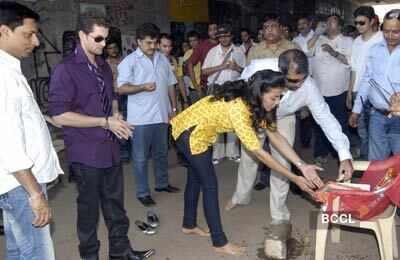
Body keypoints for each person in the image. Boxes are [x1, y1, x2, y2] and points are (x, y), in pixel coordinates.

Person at [171, 69, 322, 256]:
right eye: (274, 98)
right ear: (261, 92)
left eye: (279, 98)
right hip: (190, 134)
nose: (277, 103)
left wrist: (302, 165)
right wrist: (294, 178)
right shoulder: (239, 109)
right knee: (209, 185)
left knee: (195, 178)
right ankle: (219, 242)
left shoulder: (255, 104)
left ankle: (189, 224)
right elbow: (260, 154)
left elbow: (274, 135)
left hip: (196, 129)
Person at [227, 49, 354, 259]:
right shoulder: (258, 68)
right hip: (257, 113)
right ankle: (241, 195)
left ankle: (279, 214)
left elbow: (326, 119)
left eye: (301, 80)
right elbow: (240, 93)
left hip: (284, 117)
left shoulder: (309, 87)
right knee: (249, 157)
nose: (297, 86)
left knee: (283, 163)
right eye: (292, 81)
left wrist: (344, 154)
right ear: (279, 70)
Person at [48, 14, 155, 260]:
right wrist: (104, 122)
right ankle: (90, 256)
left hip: (110, 147)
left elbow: (113, 96)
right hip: (86, 152)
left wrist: (117, 117)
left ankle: (121, 252)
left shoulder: (103, 65)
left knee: (115, 206)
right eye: (98, 38)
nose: (103, 44)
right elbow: (60, 115)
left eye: (106, 39)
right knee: (89, 211)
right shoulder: (65, 70)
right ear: (82, 35)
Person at [0, 2, 62, 259]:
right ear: (4, 31)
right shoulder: (4, 76)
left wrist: (43, 119)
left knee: (19, 249)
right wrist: (35, 194)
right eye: (28, 34)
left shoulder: (10, 69)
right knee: (37, 253)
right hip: (22, 185)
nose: (36, 42)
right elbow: (7, 140)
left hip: (17, 184)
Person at [117, 23, 179, 207]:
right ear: (138, 42)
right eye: (148, 43)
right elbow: (121, 88)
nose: (152, 47)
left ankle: (162, 184)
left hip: (161, 115)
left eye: (155, 43)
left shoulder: (162, 59)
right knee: (141, 157)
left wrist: (173, 109)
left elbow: (170, 84)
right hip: (141, 119)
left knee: (161, 153)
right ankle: (143, 192)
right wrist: (142, 87)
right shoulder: (129, 62)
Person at [350, 9, 400, 161]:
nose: (389, 36)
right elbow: (367, 80)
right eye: (386, 31)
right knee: (376, 164)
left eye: (395, 32)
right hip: (377, 115)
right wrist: (356, 110)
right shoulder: (375, 50)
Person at [308, 14, 353, 166]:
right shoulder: (319, 39)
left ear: (339, 26)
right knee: (320, 123)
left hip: (339, 90)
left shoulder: (348, 41)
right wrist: (316, 34)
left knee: (339, 123)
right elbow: (306, 51)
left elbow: (350, 61)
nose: (327, 25)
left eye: (331, 23)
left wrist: (333, 52)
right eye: (326, 23)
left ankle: (343, 155)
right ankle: (320, 153)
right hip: (319, 90)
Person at [202, 24, 246, 164]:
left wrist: (236, 67)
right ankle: (217, 153)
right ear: (218, 38)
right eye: (221, 36)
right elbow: (204, 71)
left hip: (233, 88)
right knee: (216, 121)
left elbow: (245, 72)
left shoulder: (238, 51)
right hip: (217, 88)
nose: (224, 39)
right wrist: (221, 66)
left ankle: (233, 152)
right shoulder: (213, 52)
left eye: (226, 36)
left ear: (231, 36)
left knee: (233, 121)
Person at [347, 6, 383, 160]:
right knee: (362, 130)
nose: (358, 26)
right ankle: (365, 158)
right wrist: (349, 93)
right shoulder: (356, 41)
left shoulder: (382, 38)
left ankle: (375, 162)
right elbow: (354, 69)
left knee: (376, 132)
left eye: (362, 23)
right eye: (356, 23)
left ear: (372, 21)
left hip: (376, 94)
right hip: (358, 93)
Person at [105, 39, 131, 162]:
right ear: (106, 50)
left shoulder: (125, 61)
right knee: (120, 122)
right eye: (110, 48)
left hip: (127, 94)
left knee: (131, 121)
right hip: (114, 96)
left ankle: (132, 150)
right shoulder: (104, 64)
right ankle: (124, 153)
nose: (113, 50)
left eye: (115, 47)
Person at [187, 22, 218, 100]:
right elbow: (190, 64)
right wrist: (195, 85)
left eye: (215, 29)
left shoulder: (224, 44)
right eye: (211, 30)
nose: (213, 32)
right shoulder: (202, 46)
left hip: (223, 86)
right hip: (207, 87)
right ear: (208, 32)